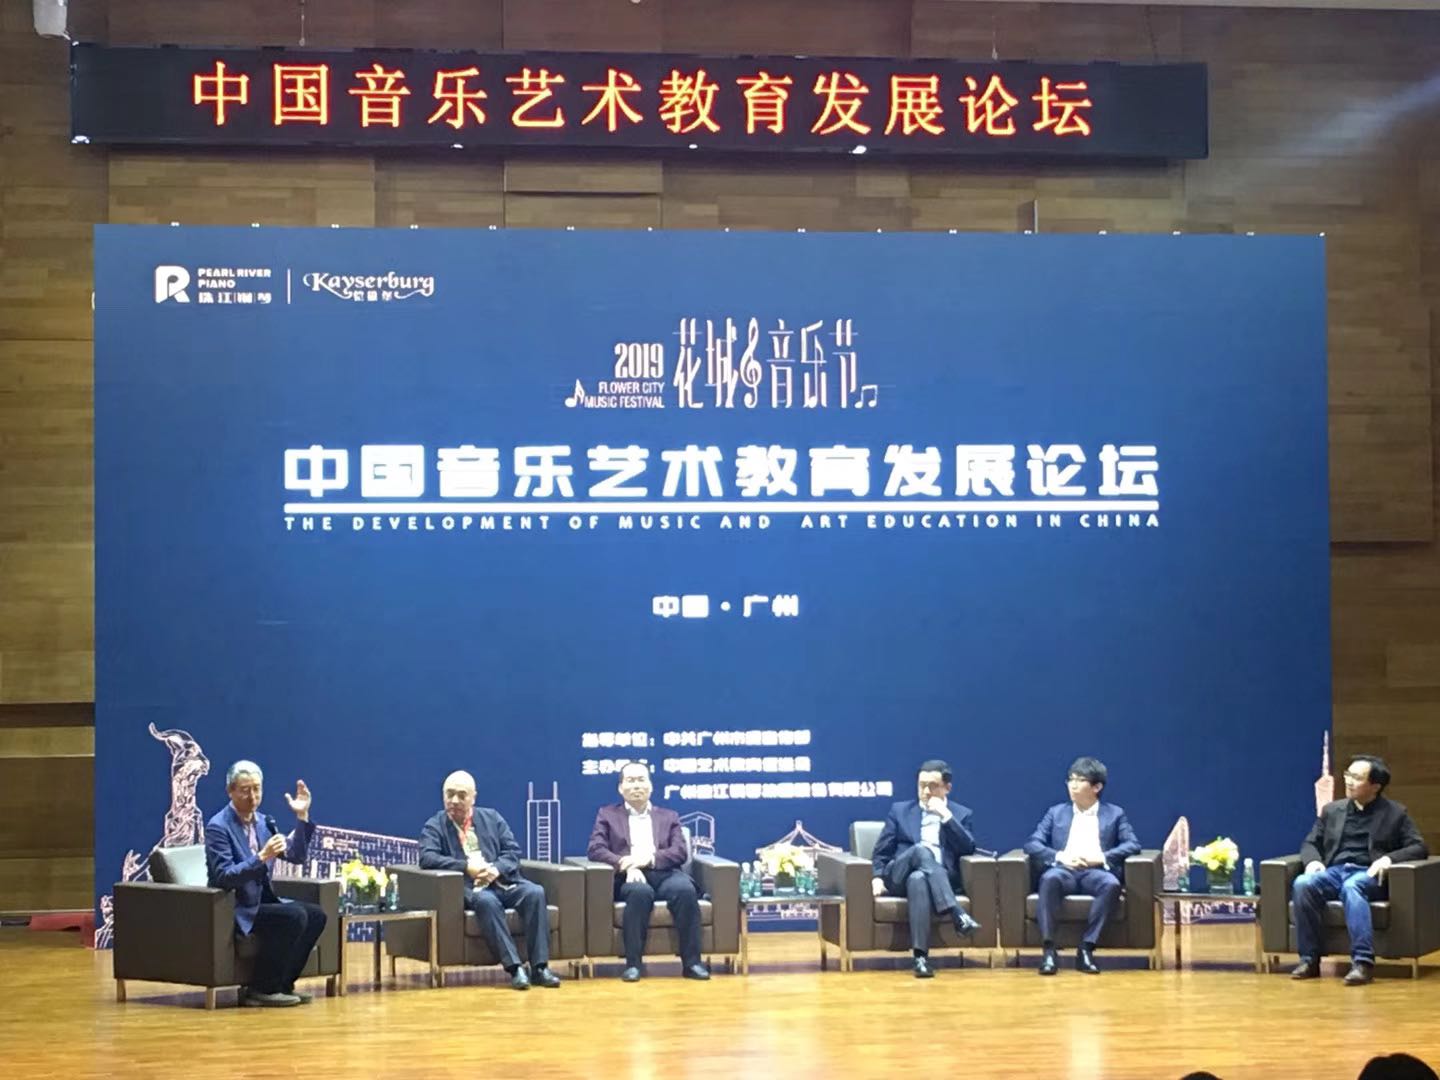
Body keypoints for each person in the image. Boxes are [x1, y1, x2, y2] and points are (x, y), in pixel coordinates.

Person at [1290, 754, 1428, 986]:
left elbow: (1419, 847)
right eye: (1348, 775)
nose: (1349, 781)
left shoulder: (1395, 813)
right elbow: (1310, 843)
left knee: (1352, 886)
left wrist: (1388, 859)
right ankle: (1309, 959)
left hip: (1369, 874)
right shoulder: (1332, 810)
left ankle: (1362, 963)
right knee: (1303, 883)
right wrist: (1313, 862)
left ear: (1375, 786)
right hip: (1335, 871)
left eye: (1357, 777)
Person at [418, 770, 560, 990]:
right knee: (487, 902)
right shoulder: (434, 825)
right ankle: (515, 968)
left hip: (503, 881)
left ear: (473, 797)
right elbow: (427, 858)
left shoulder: (492, 818)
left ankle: (540, 967)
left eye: (461, 795)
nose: (454, 800)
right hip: (472, 887)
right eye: (449, 794)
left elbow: (512, 852)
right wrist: (466, 867)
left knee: (535, 893)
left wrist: (495, 869)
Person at [204, 760, 327, 1007]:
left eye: (257, 789)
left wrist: (302, 816)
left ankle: (283, 984)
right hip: (236, 908)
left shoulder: (263, 822)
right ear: (230, 791)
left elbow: (296, 856)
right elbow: (224, 876)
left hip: (264, 902)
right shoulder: (218, 827)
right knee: (293, 916)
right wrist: (261, 857)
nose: (252, 796)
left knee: (316, 915)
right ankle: (261, 988)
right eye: (245, 790)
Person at [587, 762, 709, 982]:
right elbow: (596, 849)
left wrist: (650, 859)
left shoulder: (669, 816)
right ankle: (633, 964)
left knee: (685, 891)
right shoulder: (607, 815)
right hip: (629, 875)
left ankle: (692, 963)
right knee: (639, 893)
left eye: (641, 780)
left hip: (663, 872)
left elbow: (680, 852)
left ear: (650, 786)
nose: (636, 786)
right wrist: (625, 863)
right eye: (630, 781)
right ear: (620, 787)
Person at [1023, 756, 1141, 975]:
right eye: (1070, 780)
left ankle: (1086, 948)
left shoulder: (1114, 814)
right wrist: (1061, 857)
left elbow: (1132, 844)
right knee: (1049, 879)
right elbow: (1032, 843)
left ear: (1097, 787)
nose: (1073, 785)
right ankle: (1049, 950)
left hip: (1095, 871)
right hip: (1064, 870)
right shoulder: (1056, 812)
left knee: (1111, 885)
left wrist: (1102, 857)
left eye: (1079, 780)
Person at [870, 759, 982, 978]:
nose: (926, 792)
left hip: (937, 880)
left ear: (947, 788)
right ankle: (957, 913)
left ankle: (920, 958)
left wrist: (946, 816)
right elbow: (881, 852)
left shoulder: (961, 814)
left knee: (919, 879)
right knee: (920, 851)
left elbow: (968, 848)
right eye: (922, 785)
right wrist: (877, 877)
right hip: (899, 875)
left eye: (933, 786)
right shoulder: (900, 811)